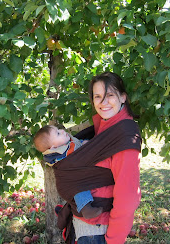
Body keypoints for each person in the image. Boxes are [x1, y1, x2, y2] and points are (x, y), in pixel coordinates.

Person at [54, 72, 142, 244]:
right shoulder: (103, 128)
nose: (103, 102)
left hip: (98, 233)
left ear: (123, 97)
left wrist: (113, 240)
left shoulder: (123, 135)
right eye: (98, 96)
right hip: (84, 227)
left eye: (110, 95)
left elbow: (128, 196)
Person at [33, 125, 103, 219]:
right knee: (79, 189)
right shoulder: (59, 156)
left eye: (58, 130)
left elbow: (76, 145)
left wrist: (84, 143)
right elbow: (73, 157)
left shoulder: (66, 144)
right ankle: (86, 209)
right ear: (54, 147)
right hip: (74, 178)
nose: (62, 131)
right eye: (58, 133)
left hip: (83, 170)